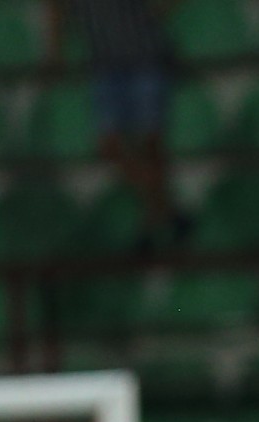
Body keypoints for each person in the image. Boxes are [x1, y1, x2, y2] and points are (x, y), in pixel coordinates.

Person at [51, 0, 189, 250]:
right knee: (112, 147)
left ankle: (155, 218)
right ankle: (165, 211)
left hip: (144, 55)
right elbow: (57, 7)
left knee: (150, 144)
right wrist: (55, 50)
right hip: (106, 63)